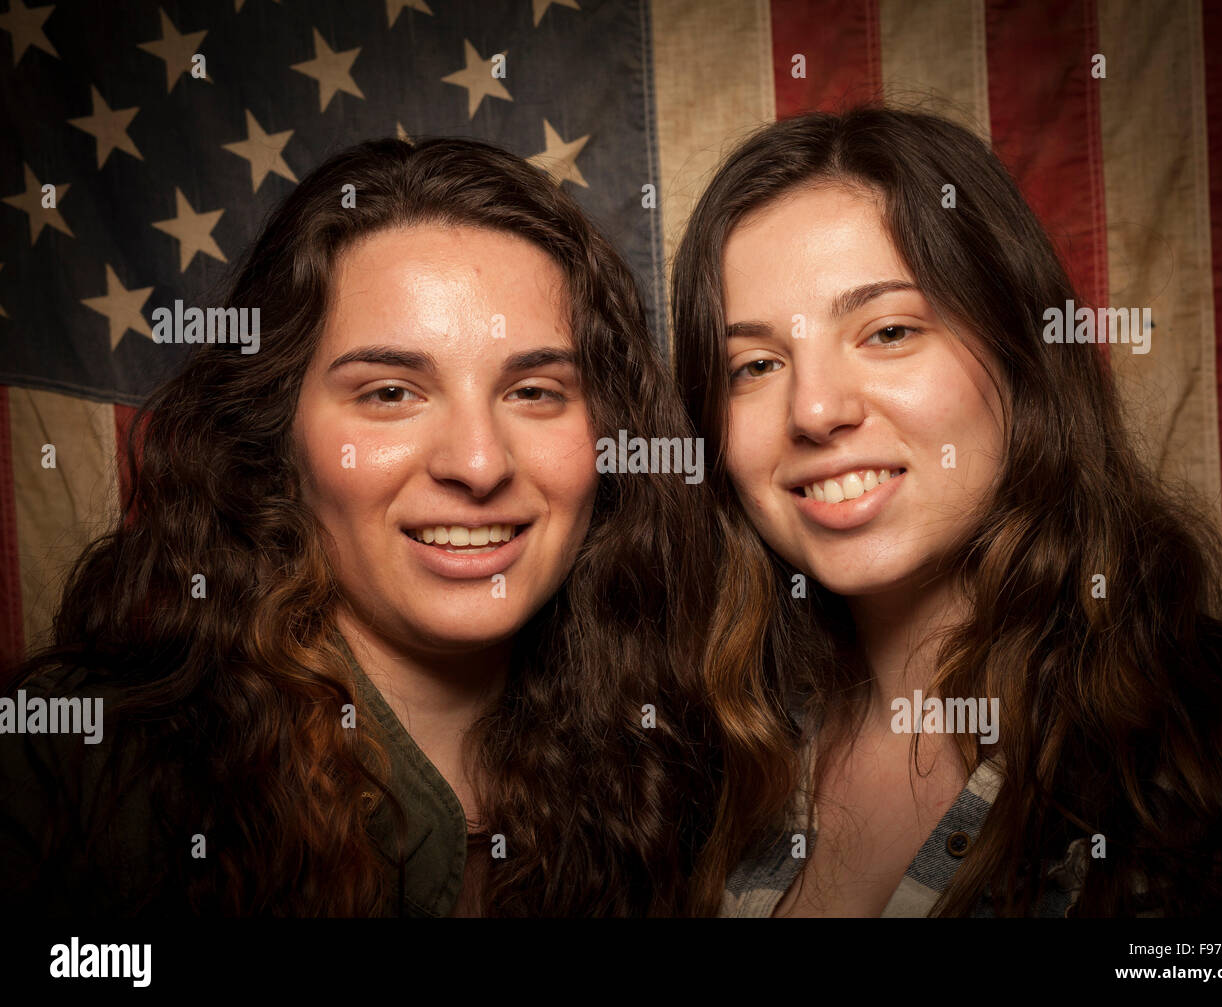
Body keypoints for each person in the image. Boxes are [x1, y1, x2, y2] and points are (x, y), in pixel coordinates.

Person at [0, 136, 716, 917]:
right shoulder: (73, 766)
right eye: (389, 393)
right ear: (275, 436)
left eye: (535, 391)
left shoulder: (669, 765)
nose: (478, 464)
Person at [671, 106, 1222, 917]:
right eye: (754, 363)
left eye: (889, 330)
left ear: (1020, 355)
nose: (816, 410)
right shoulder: (692, 761)